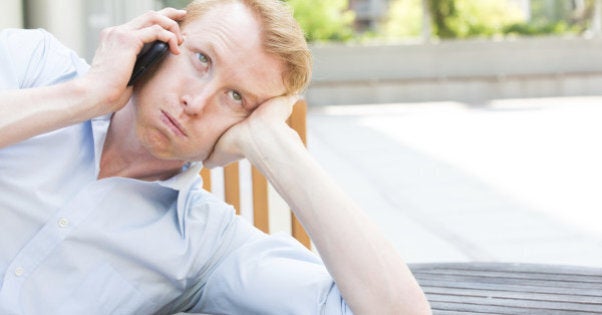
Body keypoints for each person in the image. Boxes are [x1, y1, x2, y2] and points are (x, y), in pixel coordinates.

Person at [0, 0, 431, 314]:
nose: (197, 102)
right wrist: (88, 95)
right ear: (160, 38)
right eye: (202, 59)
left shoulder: (205, 245)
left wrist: (274, 144)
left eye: (236, 97)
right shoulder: (32, 65)